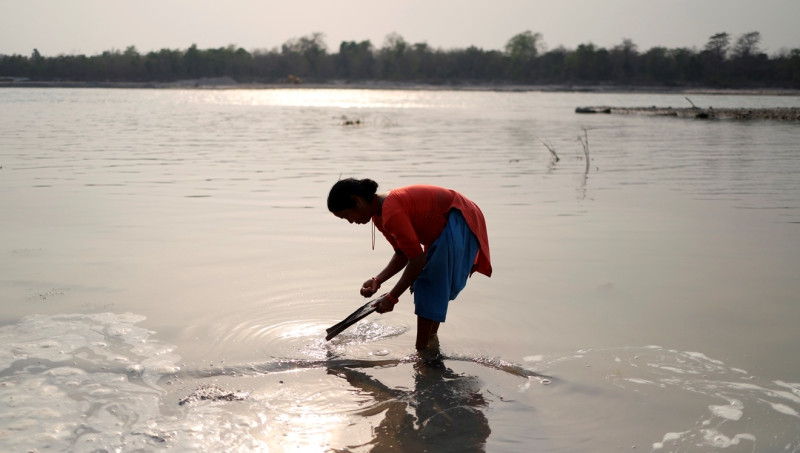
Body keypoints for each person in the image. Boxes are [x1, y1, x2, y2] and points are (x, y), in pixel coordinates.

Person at [327, 178, 492, 353]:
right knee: (429, 284)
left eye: (347, 216)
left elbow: (417, 260)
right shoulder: (379, 216)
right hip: (444, 224)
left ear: (358, 202)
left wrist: (391, 298)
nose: (350, 222)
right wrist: (378, 280)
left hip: (459, 216)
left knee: (428, 283)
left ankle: (422, 351)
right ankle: (428, 346)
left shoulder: (391, 210)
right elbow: (402, 254)